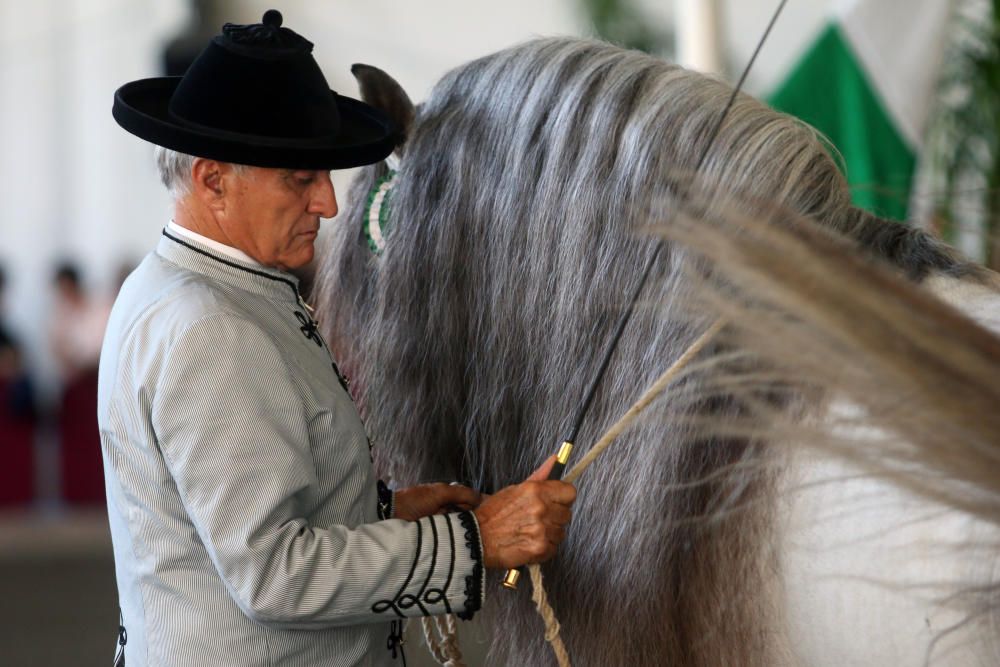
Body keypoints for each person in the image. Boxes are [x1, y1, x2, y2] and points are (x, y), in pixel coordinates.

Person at [102, 10, 576, 667]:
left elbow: (230, 513)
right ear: (212, 180)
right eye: (300, 179)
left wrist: (382, 509)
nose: (327, 204)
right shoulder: (214, 328)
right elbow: (276, 575)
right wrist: (476, 538)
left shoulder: (183, 289)